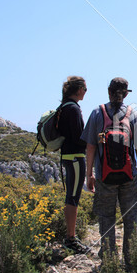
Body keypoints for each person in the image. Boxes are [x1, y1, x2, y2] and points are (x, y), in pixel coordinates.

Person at [81, 77, 137, 267]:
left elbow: (90, 147)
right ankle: (131, 259)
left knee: (106, 217)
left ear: (108, 92)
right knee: (131, 217)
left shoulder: (97, 113)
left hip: (104, 175)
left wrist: (90, 174)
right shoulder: (133, 115)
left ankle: (109, 261)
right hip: (129, 176)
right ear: (126, 94)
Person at [58, 76, 89, 253]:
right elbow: (79, 138)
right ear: (78, 90)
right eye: (85, 89)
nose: (85, 92)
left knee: (71, 195)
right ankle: (71, 238)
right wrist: (95, 140)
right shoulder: (74, 109)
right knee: (73, 197)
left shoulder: (64, 107)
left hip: (67, 156)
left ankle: (70, 236)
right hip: (76, 157)